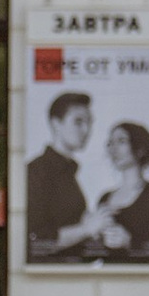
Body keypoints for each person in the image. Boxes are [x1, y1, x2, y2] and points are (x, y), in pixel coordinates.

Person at [25, 89, 96, 260]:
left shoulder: (68, 171)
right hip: (47, 277)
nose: (86, 130)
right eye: (78, 122)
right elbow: (37, 241)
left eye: (89, 122)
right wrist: (86, 229)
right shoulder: (36, 172)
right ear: (56, 124)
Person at [86, 119, 149, 263]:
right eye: (110, 143)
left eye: (121, 141)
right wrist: (90, 231)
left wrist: (129, 242)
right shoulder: (105, 198)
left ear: (140, 148)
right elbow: (95, 254)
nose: (113, 149)